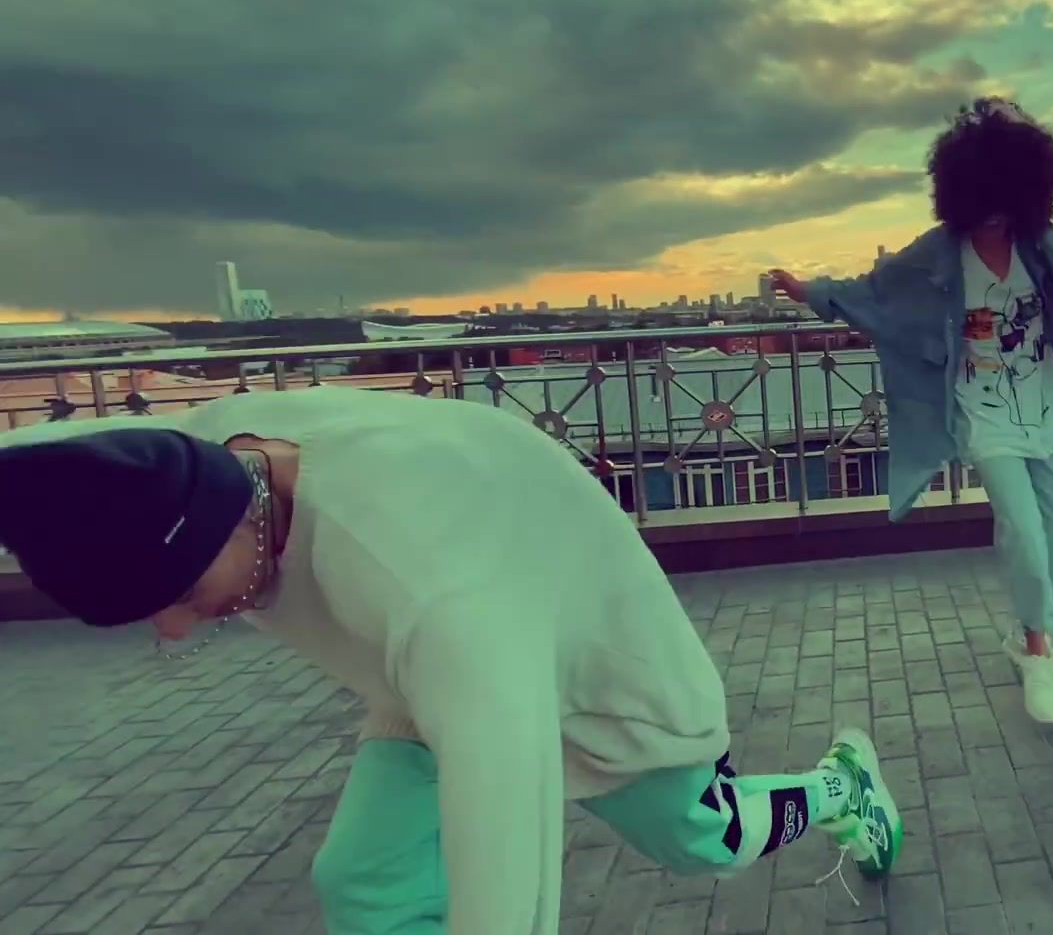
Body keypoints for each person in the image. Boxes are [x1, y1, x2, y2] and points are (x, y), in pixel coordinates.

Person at [0, 386, 902, 934]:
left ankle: (841, 787)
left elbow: (507, 867)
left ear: (230, 522)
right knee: (365, 881)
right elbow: (38, 458)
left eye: (181, 593)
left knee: (707, 839)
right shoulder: (191, 455)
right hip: (433, 665)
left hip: (598, 667)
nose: (172, 629)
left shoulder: (434, 596)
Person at [770, 96, 1053, 725]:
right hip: (981, 411)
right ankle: (1038, 651)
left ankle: (1031, 630)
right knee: (1025, 532)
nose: (993, 216)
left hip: (1047, 406)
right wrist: (810, 291)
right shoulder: (937, 254)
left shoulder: (1047, 248)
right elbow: (876, 291)